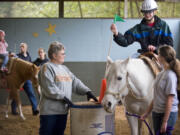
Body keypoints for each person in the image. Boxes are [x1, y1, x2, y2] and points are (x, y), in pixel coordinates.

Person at [38, 41, 98, 135]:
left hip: (63, 111)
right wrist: (64, 97)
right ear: (54, 55)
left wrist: (87, 91)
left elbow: (75, 82)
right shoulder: (46, 67)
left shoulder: (65, 69)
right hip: (49, 113)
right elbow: (49, 88)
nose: (64, 55)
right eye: (62, 54)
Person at [140, 45, 179, 135]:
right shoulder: (160, 74)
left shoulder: (170, 76)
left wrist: (165, 121)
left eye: (159, 54)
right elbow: (156, 97)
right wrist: (146, 113)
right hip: (156, 112)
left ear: (163, 57)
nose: (157, 56)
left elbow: (170, 99)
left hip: (168, 114)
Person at [11, 43, 39, 115]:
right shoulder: (17, 56)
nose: (21, 48)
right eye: (20, 47)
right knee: (16, 94)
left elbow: (31, 68)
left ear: (26, 48)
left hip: (27, 80)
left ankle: (35, 109)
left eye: (23, 47)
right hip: (19, 79)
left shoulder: (29, 57)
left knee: (31, 93)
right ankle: (14, 110)